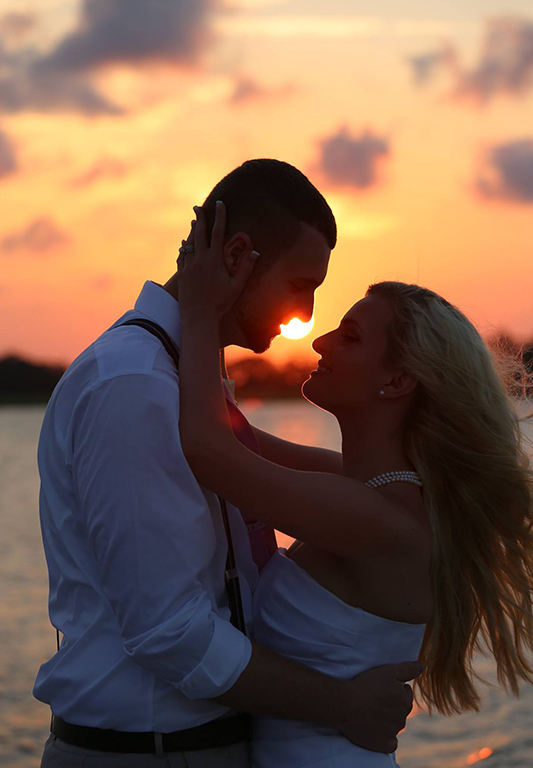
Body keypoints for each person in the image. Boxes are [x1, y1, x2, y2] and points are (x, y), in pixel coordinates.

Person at [35, 159, 421, 768]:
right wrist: (340, 704)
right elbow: (169, 630)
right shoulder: (135, 387)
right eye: (300, 284)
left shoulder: (187, 382)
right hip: (152, 753)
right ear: (238, 256)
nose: (305, 317)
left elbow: (302, 474)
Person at [175, 200, 533, 767]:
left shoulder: (377, 518)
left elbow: (207, 450)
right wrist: (226, 317)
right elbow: (228, 434)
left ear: (396, 380)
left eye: (350, 336)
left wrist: (198, 312)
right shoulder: (358, 488)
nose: (320, 343)